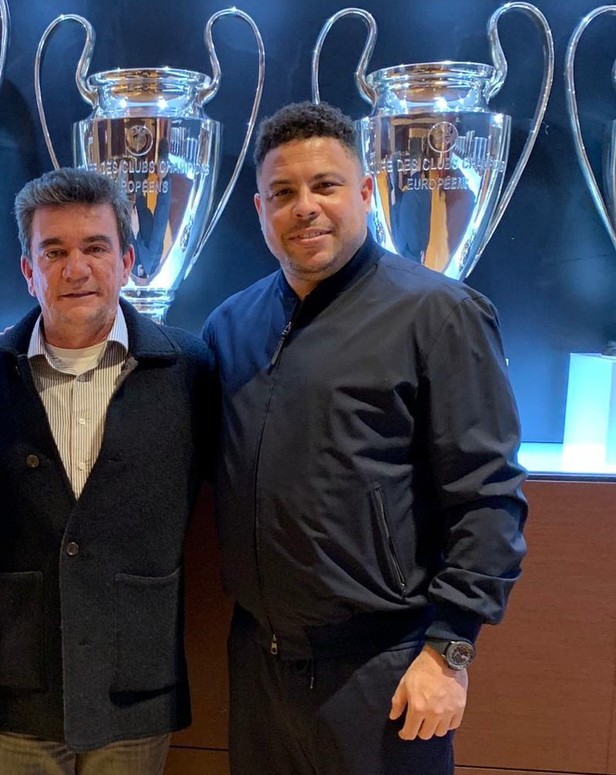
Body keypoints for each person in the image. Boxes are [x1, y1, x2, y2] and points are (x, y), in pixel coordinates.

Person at [202, 101, 528, 774]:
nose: (305, 207)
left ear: (365, 192)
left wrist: (450, 650)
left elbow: (488, 498)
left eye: (324, 186)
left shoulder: (438, 314)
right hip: (258, 662)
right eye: (283, 193)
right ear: (260, 209)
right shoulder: (230, 325)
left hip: (386, 668)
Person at [0, 167, 215, 774]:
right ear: (28, 269)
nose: (76, 268)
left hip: (136, 683)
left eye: (95, 247)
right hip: (20, 681)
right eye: (54, 251)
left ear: (127, 259)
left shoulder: (189, 370)